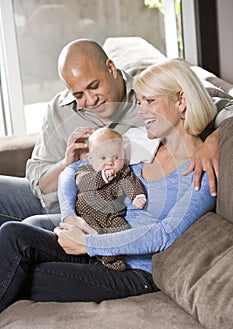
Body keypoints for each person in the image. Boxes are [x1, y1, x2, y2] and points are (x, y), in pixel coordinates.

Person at [0, 59, 217, 312]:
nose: (141, 111)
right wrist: (71, 217)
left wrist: (87, 245)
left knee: (22, 272)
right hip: (96, 248)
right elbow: (73, 171)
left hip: (133, 272)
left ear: (181, 101)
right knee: (13, 234)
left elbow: (163, 234)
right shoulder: (140, 145)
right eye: (140, 102)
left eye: (150, 101)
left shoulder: (200, 171)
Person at [0, 39, 231, 227]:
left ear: (111, 68)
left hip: (99, 211)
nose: (90, 100)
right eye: (78, 95)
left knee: (26, 230)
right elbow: (36, 179)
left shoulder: (148, 97)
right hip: (52, 198)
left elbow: (220, 106)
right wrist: (65, 165)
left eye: (94, 86)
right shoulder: (59, 108)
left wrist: (214, 139)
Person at [74, 127, 146, 271]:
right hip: (87, 213)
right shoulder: (86, 170)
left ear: (123, 155)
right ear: (91, 158)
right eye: (103, 158)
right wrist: (102, 177)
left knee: (122, 230)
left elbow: (131, 183)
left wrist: (137, 196)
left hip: (112, 214)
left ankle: (112, 260)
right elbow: (83, 183)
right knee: (91, 232)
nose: (110, 163)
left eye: (115, 157)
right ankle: (96, 257)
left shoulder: (123, 173)